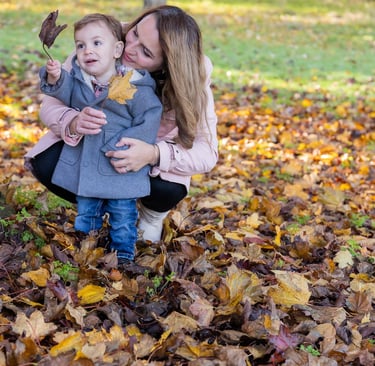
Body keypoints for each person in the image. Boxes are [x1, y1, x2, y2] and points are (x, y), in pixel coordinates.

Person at [25, 5, 218, 244]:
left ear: (168, 64)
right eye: (135, 33)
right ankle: (105, 206)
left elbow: (207, 152)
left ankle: (150, 215)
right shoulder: (101, 37)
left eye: (146, 52)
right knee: (48, 162)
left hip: (146, 160)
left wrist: (154, 153)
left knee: (169, 188)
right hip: (99, 146)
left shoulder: (192, 76)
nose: (130, 48)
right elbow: (50, 105)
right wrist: (74, 121)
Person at [38, 13, 162, 263]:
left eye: (96, 43)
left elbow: (150, 118)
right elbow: (68, 93)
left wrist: (119, 146)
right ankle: (86, 245)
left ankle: (124, 253)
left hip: (119, 164)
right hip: (89, 164)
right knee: (86, 210)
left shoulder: (134, 87)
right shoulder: (83, 80)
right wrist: (56, 78)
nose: (87, 51)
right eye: (80, 45)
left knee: (122, 214)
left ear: (117, 49)